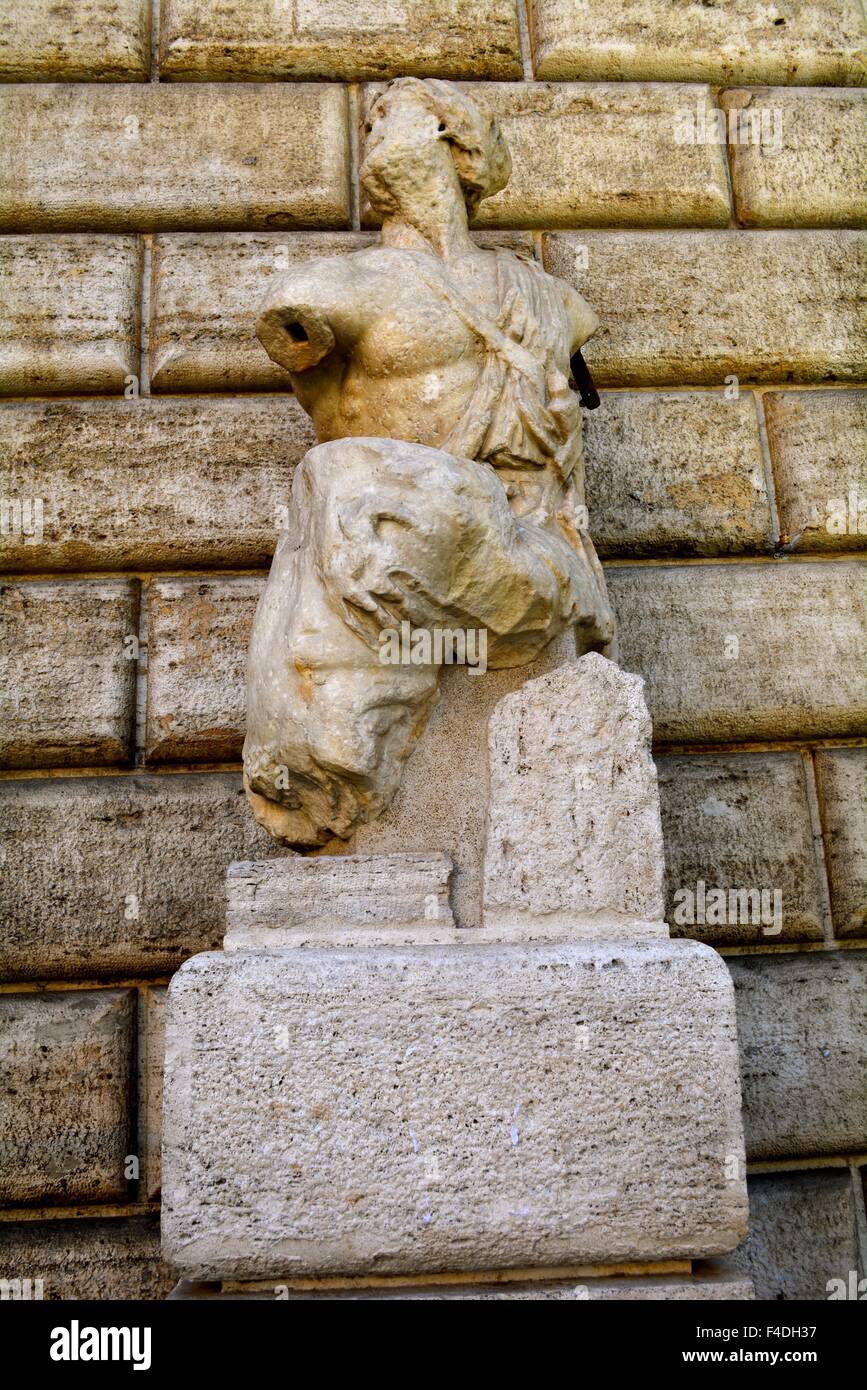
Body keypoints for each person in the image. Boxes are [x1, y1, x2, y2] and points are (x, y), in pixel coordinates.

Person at [244, 77, 615, 847]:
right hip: (392, 565)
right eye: (368, 120)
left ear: (456, 141)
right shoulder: (325, 292)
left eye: (393, 117)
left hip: (527, 551)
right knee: (341, 757)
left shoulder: (547, 299)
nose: (373, 131)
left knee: (544, 819)